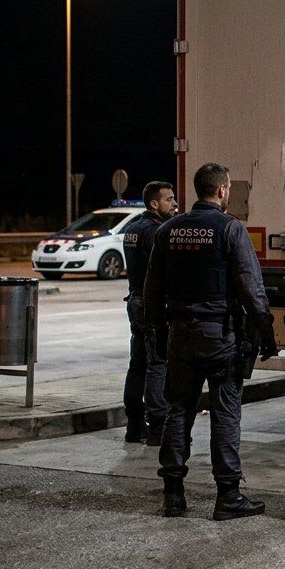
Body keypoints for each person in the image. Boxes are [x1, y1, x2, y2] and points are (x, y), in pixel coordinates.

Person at [144, 162, 277, 520]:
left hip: (179, 335)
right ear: (222, 191)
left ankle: (173, 494)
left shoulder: (168, 230)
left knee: (178, 410)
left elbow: (152, 289)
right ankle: (228, 496)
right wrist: (266, 331)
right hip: (219, 335)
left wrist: (155, 333)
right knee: (225, 413)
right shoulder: (231, 229)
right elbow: (252, 289)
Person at [120, 181, 178, 445]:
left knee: (138, 363)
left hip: (135, 301)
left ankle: (134, 425)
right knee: (158, 364)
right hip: (153, 304)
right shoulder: (158, 231)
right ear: (154, 203)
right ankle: (157, 427)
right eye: (169, 199)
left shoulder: (131, 229)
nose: (175, 204)